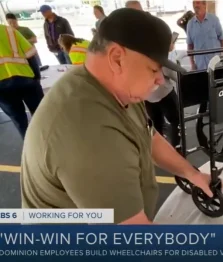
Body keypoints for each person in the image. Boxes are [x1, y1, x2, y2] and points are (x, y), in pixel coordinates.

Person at [21, 8, 213, 224]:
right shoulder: (89, 131)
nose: (160, 79)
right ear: (117, 58)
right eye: (153, 69)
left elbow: (149, 136)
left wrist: (192, 174)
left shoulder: (112, 89)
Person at [0, 25, 44, 139]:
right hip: (25, 78)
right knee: (41, 115)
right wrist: (37, 76)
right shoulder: (8, 30)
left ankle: (31, 150)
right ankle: (49, 144)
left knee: (19, 121)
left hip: (2, 88)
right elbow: (30, 53)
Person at [145, 33, 181, 148]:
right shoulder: (160, 58)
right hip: (165, 95)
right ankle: (176, 147)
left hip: (148, 97)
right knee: (176, 121)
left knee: (156, 125)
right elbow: (176, 75)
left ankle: (158, 148)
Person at [186, 0, 223, 70]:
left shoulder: (214, 20)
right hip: (200, 67)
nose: (195, 5)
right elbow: (190, 46)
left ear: (204, 4)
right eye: (194, 3)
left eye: (198, 3)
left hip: (216, 66)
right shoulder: (190, 24)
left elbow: (222, 40)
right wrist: (192, 64)